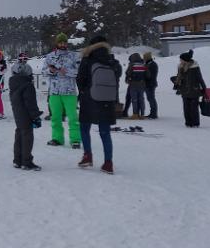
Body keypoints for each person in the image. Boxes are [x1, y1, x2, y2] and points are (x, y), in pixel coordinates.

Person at [76, 36, 121, 175]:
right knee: (105, 132)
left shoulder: (87, 59)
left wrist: (84, 92)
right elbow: (117, 77)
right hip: (107, 100)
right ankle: (108, 163)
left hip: (89, 99)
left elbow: (80, 79)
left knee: (84, 128)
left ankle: (87, 156)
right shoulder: (112, 61)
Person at [43, 33, 81, 148]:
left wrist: (66, 71)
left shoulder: (74, 56)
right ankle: (57, 138)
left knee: (73, 117)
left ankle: (75, 139)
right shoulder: (50, 56)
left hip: (69, 92)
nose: (62, 44)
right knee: (55, 117)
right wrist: (52, 71)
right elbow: (44, 72)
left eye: (64, 42)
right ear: (57, 43)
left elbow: (78, 72)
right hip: (54, 92)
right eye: (60, 42)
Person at [10, 53, 43, 171]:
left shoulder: (13, 83)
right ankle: (26, 161)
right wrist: (36, 116)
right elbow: (31, 103)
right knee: (27, 136)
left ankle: (17, 160)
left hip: (18, 113)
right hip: (26, 114)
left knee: (19, 134)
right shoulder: (27, 85)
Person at [174, 50, 206, 128]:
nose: (180, 61)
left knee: (194, 108)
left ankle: (195, 123)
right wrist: (176, 84)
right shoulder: (180, 67)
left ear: (185, 60)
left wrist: (204, 88)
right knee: (186, 107)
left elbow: (200, 78)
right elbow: (179, 77)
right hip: (184, 90)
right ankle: (188, 122)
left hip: (194, 90)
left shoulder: (195, 67)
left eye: (181, 59)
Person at [125, 53, 149, 120]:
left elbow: (128, 73)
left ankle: (135, 114)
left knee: (134, 99)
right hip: (142, 84)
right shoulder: (144, 64)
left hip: (133, 84)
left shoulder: (132, 64)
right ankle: (142, 115)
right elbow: (148, 75)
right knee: (141, 99)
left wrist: (128, 78)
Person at [144, 52, 159, 119]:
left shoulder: (152, 65)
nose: (143, 59)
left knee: (151, 98)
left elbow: (150, 76)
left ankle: (154, 114)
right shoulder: (148, 64)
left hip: (150, 84)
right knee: (150, 98)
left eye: (144, 57)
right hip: (149, 84)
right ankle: (152, 113)